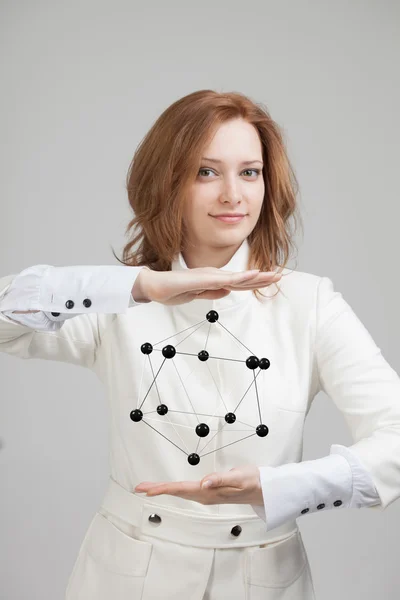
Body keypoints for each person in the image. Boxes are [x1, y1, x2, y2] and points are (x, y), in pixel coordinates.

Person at [0, 89, 399, 600]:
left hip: (262, 579)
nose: (233, 194)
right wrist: (139, 285)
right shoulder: (116, 300)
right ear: (166, 183)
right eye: (206, 172)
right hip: (127, 574)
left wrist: (283, 488)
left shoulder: (310, 303)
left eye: (249, 172)